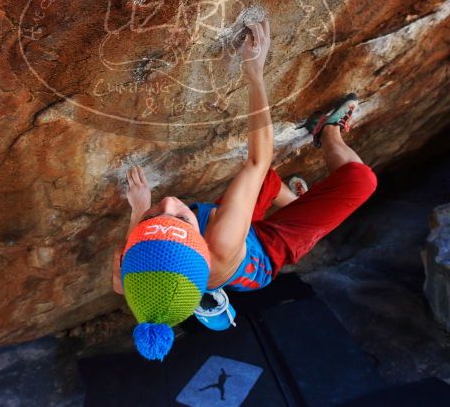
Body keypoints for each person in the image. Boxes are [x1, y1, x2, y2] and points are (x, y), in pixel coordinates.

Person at [111, 19, 378, 360]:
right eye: (180, 217)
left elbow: (121, 280)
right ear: (199, 246)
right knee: (361, 182)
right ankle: (326, 132)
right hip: (262, 255)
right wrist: (254, 70)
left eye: (155, 216)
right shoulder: (219, 241)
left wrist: (138, 210)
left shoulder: (130, 276)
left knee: (262, 185)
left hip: (227, 235)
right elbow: (257, 159)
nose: (169, 202)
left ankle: (294, 201)